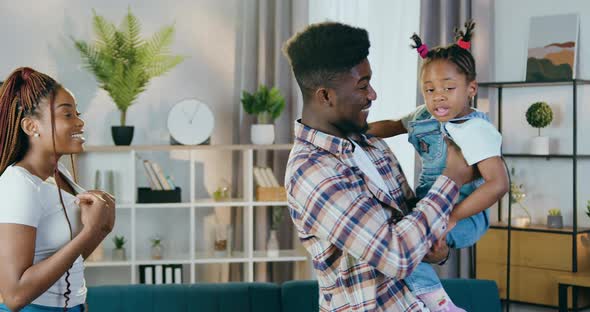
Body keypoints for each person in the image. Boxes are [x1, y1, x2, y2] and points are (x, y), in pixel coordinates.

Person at [283, 22, 476, 311]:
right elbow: (397, 255)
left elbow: (415, 222)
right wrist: (452, 179)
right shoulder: (311, 172)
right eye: (363, 85)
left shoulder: (371, 145)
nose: (373, 94)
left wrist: (439, 251)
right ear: (325, 95)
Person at [367, 21, 509, 311]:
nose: (438, 97)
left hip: (466, 213)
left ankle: (442, 305)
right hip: (429, 207)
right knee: (390, 243)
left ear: (471, 89)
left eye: (448, 88)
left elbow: (499, 183)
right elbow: (394, 125)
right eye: (429, 90)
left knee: (408, 244)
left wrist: (453, 217)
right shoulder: (424, 116)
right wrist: (358, 130)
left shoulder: (474, 129)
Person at [0, 67, 115, 312]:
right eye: (67, 115)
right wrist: (89, 231)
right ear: (31, 127)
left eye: (77, 113)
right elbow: (15, 295)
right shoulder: (19, 184)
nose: (80, 121)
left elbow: (68, 261)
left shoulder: (60, 174)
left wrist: (101, 228)